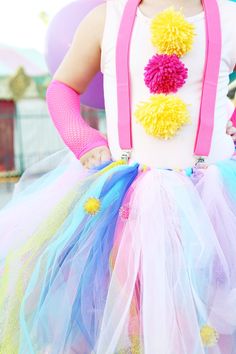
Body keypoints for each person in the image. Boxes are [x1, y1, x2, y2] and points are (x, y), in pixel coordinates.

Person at [0, 0, 236, 353]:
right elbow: (62, 86)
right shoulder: (105, 18)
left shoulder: (231, 19)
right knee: (135, 317)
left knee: (215, 312)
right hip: (130, 200)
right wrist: (84, 141)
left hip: (214, 199)